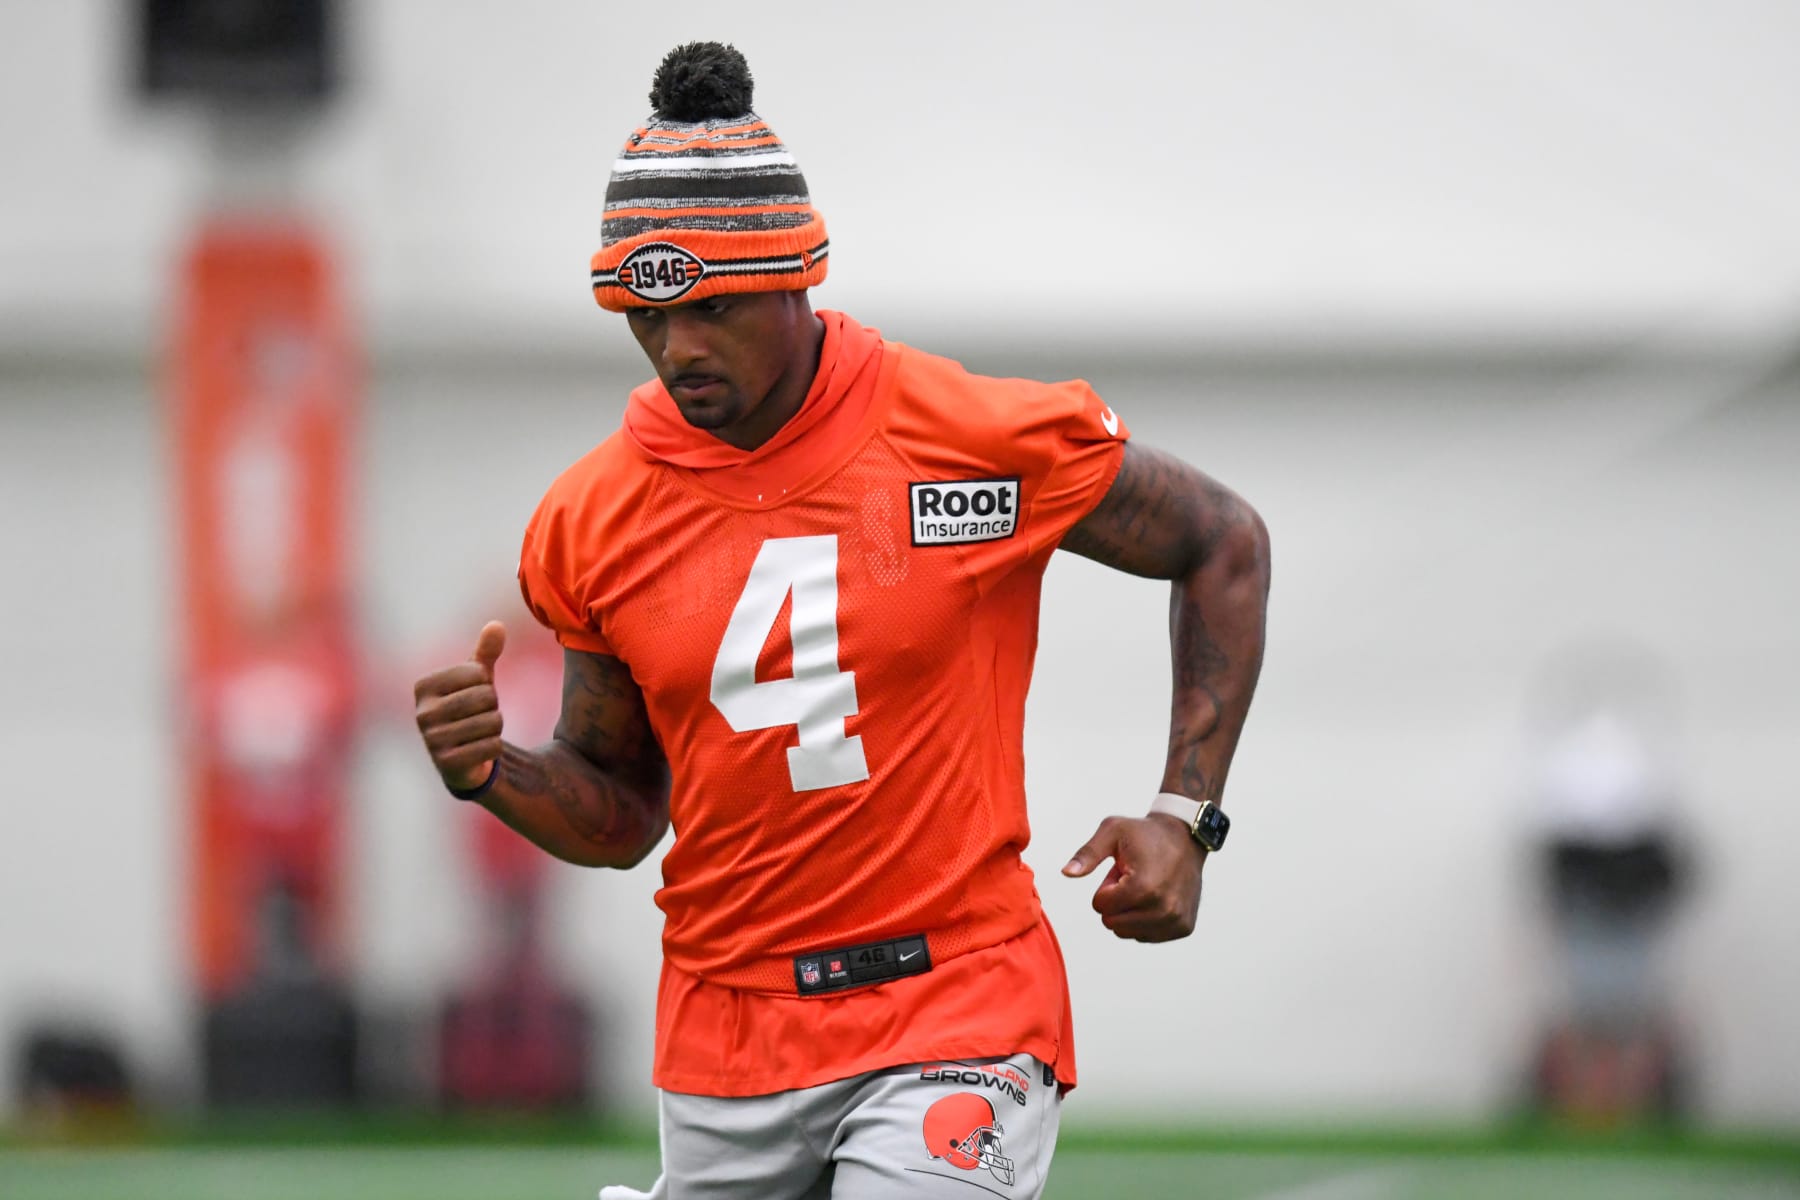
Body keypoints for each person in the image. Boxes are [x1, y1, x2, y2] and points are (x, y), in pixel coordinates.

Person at [412, 42, 1270, 1199]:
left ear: (798, 275)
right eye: (645, 315)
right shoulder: (589, 518)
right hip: (728, 1037)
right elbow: (620, 813)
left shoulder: (965, 437)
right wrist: (491, 771)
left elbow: (1222, 540)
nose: (680, 349)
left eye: (713, 308)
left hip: (955, 1001)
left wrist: (1186, 812)